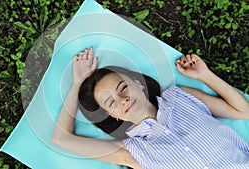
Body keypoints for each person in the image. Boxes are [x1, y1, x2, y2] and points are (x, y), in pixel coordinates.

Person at [52, 47, 249, 169]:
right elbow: (61, 139)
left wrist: (205, 75)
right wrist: (77, 83)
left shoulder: (180, 96)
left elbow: (243, 111)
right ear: (112, 115)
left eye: (123, 88)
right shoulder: (133, 152)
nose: (122, 99)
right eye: (111, 103)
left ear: (138, 82)